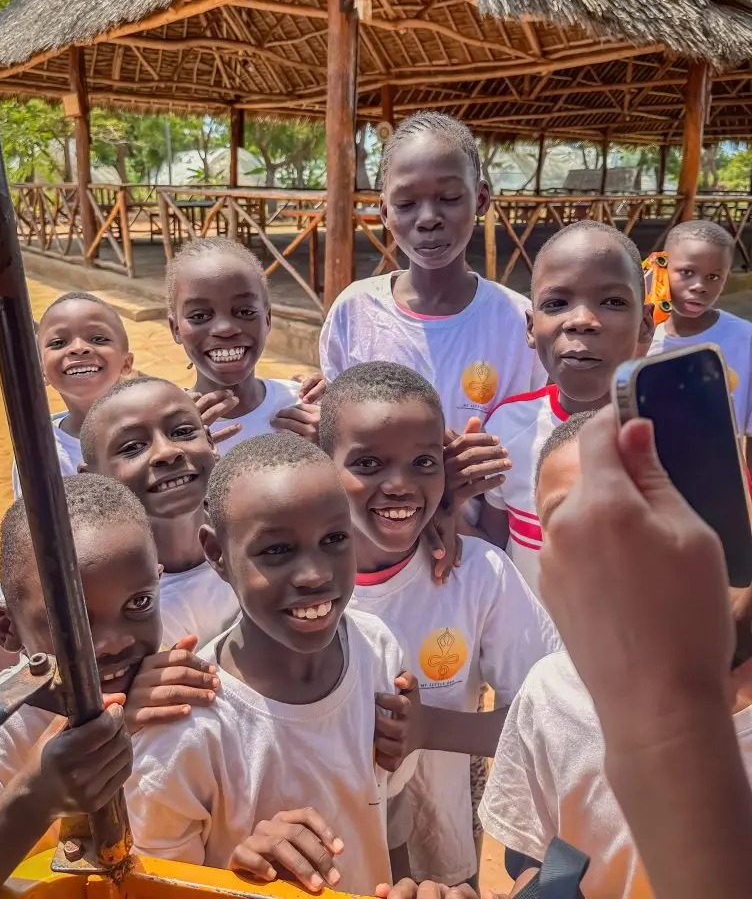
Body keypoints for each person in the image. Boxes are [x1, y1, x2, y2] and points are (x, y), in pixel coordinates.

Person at [126, 433, 419, 894]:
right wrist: (244, 875)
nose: (316, 574)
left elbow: (386, 806)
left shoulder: (376, 647)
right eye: (277, 551)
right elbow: (158, 886)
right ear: (217, 554)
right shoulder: (186, 727)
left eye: (335, 539)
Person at [480, 409, 752, 898]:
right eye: (568, 519)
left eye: (634, 507)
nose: (607, 538)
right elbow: (530, 859)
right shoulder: (550, 691)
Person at [319, 361, 560, 888]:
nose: (401, 485)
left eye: (423, 461)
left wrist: (431, 730)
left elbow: (550, 720)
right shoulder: (294, 591)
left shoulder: (475, 575)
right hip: (324, 864)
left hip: (445, 859)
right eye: (368, 463)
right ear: (321, 465)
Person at [0, 474, 220, 895]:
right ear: (7, 628)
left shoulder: (190, 691)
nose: (113, 643)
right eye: (71, 622)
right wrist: (37, 797)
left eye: (139, 603)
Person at [319, 111, 545, 433]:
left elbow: (533, 432)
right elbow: (338, 429)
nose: (428, 218)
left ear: (481, 199)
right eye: (406, 204)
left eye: (449, 198)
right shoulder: (354, 311)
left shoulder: (518, 322)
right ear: (384, 211)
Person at [478, 220, 654, 595]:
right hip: (524, 653)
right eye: (556, 303)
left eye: (613, 302)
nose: (582, 321)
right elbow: (493, 549)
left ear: (646, 325)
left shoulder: (687, 436)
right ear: (530, 327)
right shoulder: (507, 429)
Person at [79, 375, 240, 648]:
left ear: (211, 443)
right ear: (93, 478)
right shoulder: (107, 613)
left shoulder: (263, 544)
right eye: (132, 447)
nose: (167, 452)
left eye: (182, 432)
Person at [166, 237, 320, 451]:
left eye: (245, 312)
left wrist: (331, 444)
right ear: (176, 329)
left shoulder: (304, 408)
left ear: (267, 320)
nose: (225, 329)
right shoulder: (165, 429)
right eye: (200, 316)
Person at [648, 221, 752, 461]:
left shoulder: (744, 339)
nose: (699, 286)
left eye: (714, 277)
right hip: (647, 476)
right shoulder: (639, 335)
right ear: (661, 268)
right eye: (687, 273)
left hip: (717, 478)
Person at [12, 292, 134, 495]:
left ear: (126, 363)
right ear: (41, 371)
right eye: (58, 343)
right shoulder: (39, 452)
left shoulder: (164, 424)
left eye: (98, 338)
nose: (78, 349)